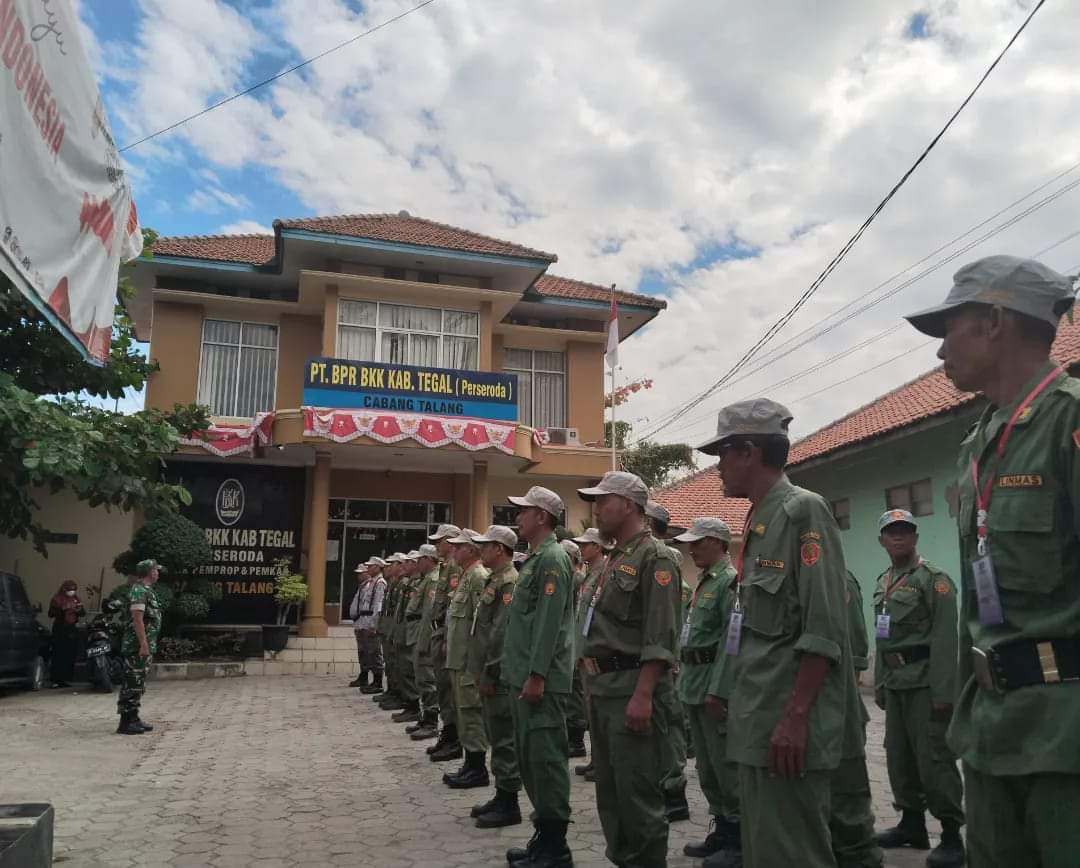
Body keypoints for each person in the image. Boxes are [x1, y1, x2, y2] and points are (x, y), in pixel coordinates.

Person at [905, 254, 1080, 868]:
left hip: (1066, 736)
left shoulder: (1071, 420)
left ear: (995, 321)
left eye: (948, 328)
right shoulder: (978, 443)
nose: (939, 350)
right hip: (992, 729)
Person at [698, 398, 860, 868]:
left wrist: (796, 716)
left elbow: (823, 625)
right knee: (768, 848)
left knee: (794, 853)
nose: (718, 468)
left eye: (722, 454)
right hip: (758, 715)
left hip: (785, 723)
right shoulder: (760, 517)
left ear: (748, 452)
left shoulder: (801, 511)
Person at [577, 471, 681, 868]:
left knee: (638, 795)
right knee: (611, 792)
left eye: (605, 501)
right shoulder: (614, 558)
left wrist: (643, 694)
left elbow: (660, 633)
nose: (597, 508)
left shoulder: (656, 557)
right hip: (603, 688)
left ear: (631, 506)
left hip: (631, 689)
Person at [870, 510, 963, 866]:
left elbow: (944, 640)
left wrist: (944, 693)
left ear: (915, 538)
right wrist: (880, 681)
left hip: (925, 683)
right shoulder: (884, 580)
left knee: (935, 759)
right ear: (882, 540)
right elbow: (882, 639)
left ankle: (952, 834)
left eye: (905, 532)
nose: (898, 537)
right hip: (896, 684)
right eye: (891, 532)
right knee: (899, 757)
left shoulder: (934, 580)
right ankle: (912, 825)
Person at [504, 486, 576, 868]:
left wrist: (536, 675)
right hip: (525, 676)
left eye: (524, 511)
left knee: (545, 761)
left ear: (542, 517)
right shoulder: (535, 560)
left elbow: (550, 624)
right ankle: (543, 836)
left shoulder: (552, 559)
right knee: (530, 759)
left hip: (541, 681)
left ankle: (556, 848)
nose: (517, 517)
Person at [670, 517, 742, 867]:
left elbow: (733, 641)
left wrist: (720, 690)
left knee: (725, 766)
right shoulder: (704, 582)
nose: (691, 548)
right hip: (694, 684)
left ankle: (739, 839)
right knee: (708, 767)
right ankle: (723, 828)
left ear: (718, 542)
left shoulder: (729, 582)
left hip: (713, 687)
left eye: (698, 542)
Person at [468, 525, 523, 828]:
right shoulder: (494, 579)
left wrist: (490, 672)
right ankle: (501, 795)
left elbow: (501, 634)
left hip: (499, 676)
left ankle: (509, 801)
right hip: (489, 672)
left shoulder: (509, 583)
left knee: (504, 739)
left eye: (485, 545)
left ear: (499, 549)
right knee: (496, 735)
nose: (481, 550)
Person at [830, 570, 883, 868]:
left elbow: (853, 643)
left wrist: (844, 704)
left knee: (845, 792)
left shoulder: (840, 578)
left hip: (836, 699)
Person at [645, 499, 692, 824]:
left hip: (666, 655)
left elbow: (671, 611)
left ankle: (674, 792)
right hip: (655, 653)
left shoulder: (666, 556)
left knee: (668, 722)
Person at [442, 530, 491, 789]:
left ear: (471, 550)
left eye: (459, 547)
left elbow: (480, 624)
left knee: (471, 713)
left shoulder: (478, 577)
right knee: (462, 712)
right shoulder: (465, 576)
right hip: (457, 658)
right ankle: (470, 763)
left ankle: (477, 767)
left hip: (468, 661)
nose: (454, 550)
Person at [570, 527, 612, 781]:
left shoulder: (604, 574)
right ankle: (597, 758)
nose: (581, 548)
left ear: (598, 547)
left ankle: (603, 761)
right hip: (584, 652)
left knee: (598, 710)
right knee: (590, 709)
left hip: (595, 654)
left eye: (586, 545)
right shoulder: (589, 575)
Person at [427, 525, 465, 762]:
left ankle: (454, 738)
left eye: (439, 541)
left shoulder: (453, 567)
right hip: (439, 632)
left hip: (445, 632)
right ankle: (448, 734)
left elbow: (451, 606)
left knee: (450, 691)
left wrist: (447, 637)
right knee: (443, 688)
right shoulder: (446, 566)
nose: (436, 546)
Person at [117, 559, 163, 735]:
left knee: (138, 682)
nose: (158, 573)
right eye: (155, 570)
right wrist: (143, 643)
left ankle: (134, 718)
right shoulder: (138, 590)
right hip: (137, 646)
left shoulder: (146, 590)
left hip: (144, 645)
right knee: (132, 682)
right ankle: (126, 722)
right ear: (149, 572)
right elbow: (137, 618)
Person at [408, 545, 443, 739]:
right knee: (421, 678)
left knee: (427, 680)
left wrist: (426, 642)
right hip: (419, 633)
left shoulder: (434, 579)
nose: (417, 563)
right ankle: (425, 716)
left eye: (420, 559)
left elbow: (431, 614)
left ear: (429, 559)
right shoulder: (426, 579)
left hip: (426, 636)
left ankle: (431, 722)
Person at [560, 538, 589, 761]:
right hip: (570, 640)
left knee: (575, 692)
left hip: (576, 641)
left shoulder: (576, 577)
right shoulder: (571, 576)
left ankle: (577, 740)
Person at [358, 558, 388, 695]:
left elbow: (378, 605)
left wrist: (373, 624)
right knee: (369, 651)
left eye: (371, 566)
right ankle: (374, 681)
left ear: (377, 567)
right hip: (365, 620)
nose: (368, 569)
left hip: (372, 621)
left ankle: (378, 682)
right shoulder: (372, 582)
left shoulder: (380, 583)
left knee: (375, 652)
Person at [48, 580, 85, 688]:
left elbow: (83, 612)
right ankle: (55, 679)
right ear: (64, 589)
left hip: (72, 629)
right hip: (60, 629)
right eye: (69, 589)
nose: (72, 591)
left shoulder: (76, 599)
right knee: (59, 654)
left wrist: (79, 610)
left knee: (70, 655)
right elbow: (51, 614)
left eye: (74, 589)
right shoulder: (57, 599)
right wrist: (62, 609)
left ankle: (65, 679)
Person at [347, 563, 371, 687]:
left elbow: (366, 607)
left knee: (365, 651)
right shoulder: (362, 587)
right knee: (361, 651)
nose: (359, 576)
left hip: (364, 623)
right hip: (359, 623)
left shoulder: (369, 587)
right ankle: (363, 674)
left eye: (361, 573)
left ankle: (366, 676)